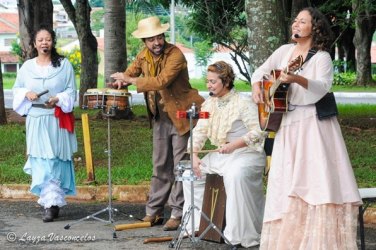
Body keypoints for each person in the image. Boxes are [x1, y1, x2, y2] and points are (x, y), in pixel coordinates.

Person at [251, 7, 362, 249]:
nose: (296, 25)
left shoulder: (321, 57)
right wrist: (257, 86)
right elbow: (260, 71)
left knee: (313, 181)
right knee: (287, 181)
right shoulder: (284, 51)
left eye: (303, 22)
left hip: (312, 125)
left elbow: (322, 87)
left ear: (315, 27)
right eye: (295, 21)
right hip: (287, 124)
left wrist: (297, 78)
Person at [110, 16, 205, 231]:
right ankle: (154, 212)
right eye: (151, 39)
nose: (157, 43)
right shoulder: (144, 55)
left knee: (181, 167)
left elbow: (161, 81)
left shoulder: (176, 55)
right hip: (160, 116)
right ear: (144, 41)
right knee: (160, 165)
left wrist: (131, 81)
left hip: (182, 116)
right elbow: (130, 72)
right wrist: (121, 79)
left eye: (159, 37)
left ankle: (178, 213)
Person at [182, 61, 267, 248]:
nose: (209, 85)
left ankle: (238, 235)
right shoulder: (209, 104)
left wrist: (234, 145)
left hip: (246, 154)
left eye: (213, 81)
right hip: (221, 154)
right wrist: (194, 155)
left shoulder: (243, 102)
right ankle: (197, 225)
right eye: (208, 81)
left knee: (235, 175)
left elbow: (259, 132)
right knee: (190, 174)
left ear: (226, 82)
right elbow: (199, 132)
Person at [12, 25, 77, 223]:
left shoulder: (64, 65)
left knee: (55, 159)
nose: (44, 43)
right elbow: (17, 89)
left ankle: (53, 204)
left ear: (53, 42)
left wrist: (58, 98)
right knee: (42, 160)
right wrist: (26, 93)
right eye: (40, 40)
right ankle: (49, 203)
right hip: (36, 119)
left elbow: (71, 91)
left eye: (47, 39)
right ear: (34, 44)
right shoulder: (27, 67)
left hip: (55, 119)